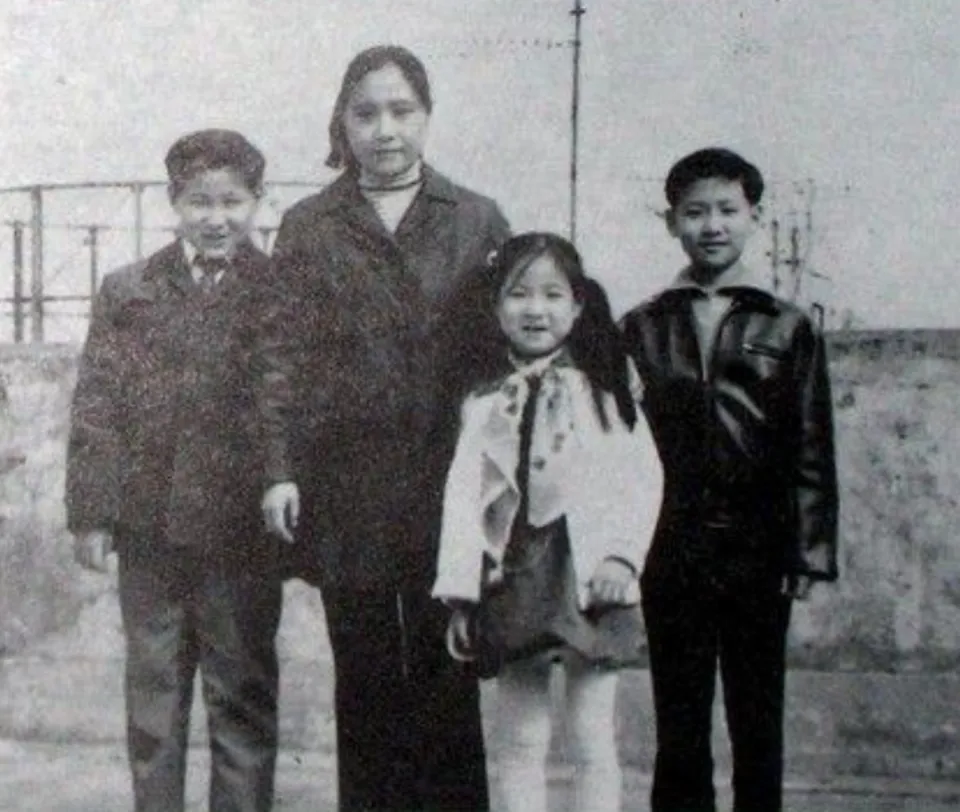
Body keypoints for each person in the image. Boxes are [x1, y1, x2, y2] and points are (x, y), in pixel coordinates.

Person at [256, 45, 510, 811]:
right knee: (364, 673)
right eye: (366, 113)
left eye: (402, 111)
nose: (385, 130)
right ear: (343, 122)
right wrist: (279, 469)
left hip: (449, 482)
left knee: (448, 666)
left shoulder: (476, 219)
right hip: (348, 485)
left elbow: (505, 358)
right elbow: (280, 356)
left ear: (427, 116)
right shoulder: (310, 226)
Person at [65, 129, 282, 812]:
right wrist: (92, 514)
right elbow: (97, 405)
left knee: (240, 695)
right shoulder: (129, 291)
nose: (216, 219)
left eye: (233, 202)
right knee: (154, 698)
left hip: (241, 537)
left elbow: (286, 399)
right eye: (199, 202)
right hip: (149, 532)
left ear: (258, 201)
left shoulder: (279, 290)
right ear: (174, 202)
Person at [620, 147, 839, 812]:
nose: (711, 225)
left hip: (758, 548)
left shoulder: (788, 325)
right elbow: (619, 446)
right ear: (671, 222)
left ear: (755, 217)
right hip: (671, 547)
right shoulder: (642, 325)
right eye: (694, 212)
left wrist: (808, 551)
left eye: (726, 210)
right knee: (680, 719)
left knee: (757, 715)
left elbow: (811, 442)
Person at [432, 232, 664, 812]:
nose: (535, 309)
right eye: (518, 294)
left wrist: (621, 557)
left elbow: (641, 477)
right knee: (518, 736)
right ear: (496, 306)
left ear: (579, 305)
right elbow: (463, 499)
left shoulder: (605, 389)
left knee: (591, 733)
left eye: (553, 294)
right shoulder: (485, 401)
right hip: (515, 572)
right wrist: (462, 595)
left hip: (587, 571)